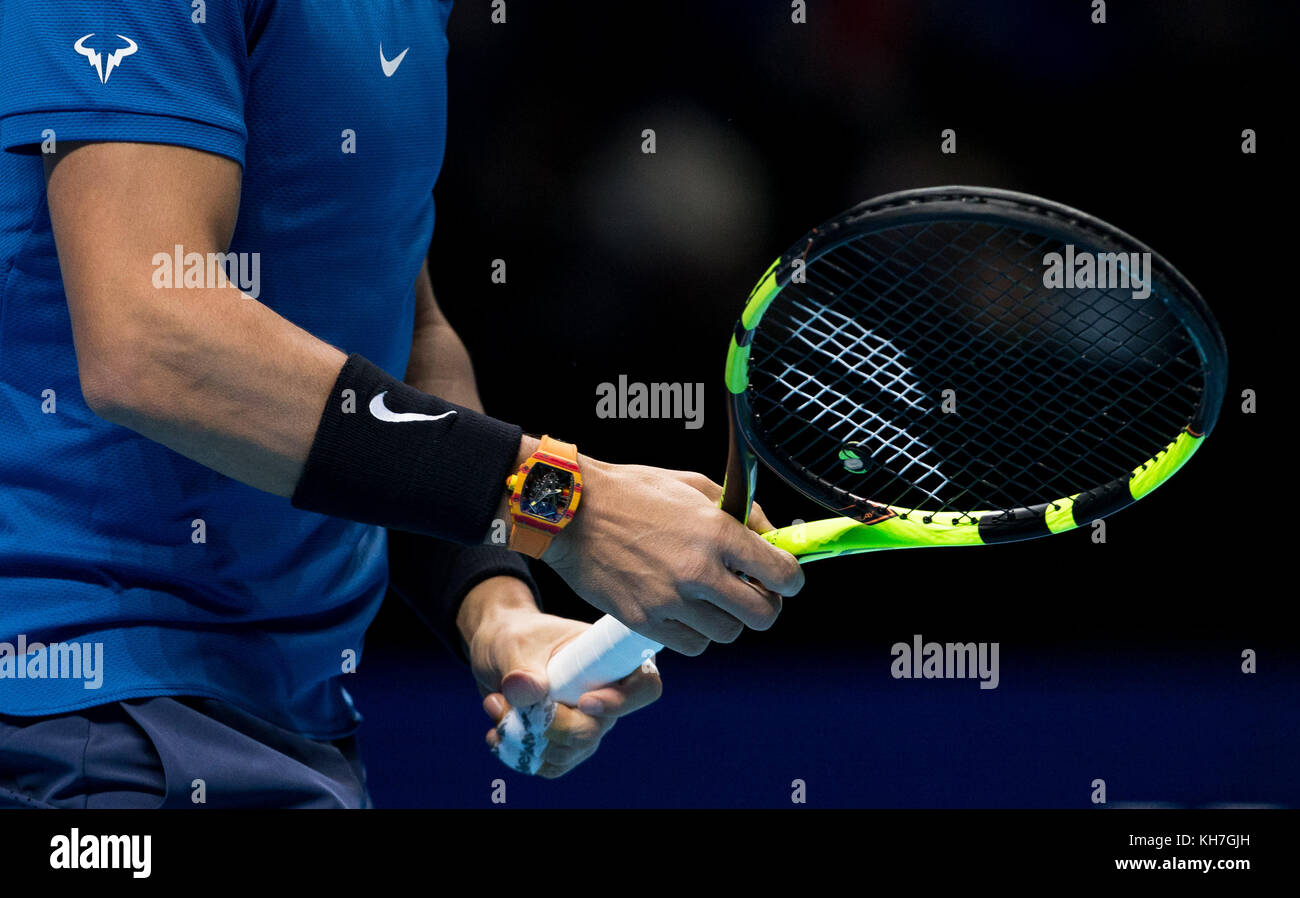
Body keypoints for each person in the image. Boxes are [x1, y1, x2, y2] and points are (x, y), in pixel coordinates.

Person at [0, 2, 802, 807]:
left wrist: (496, 605)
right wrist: (565, 504)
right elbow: (151, 340)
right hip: (81, 715)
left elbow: (398, 331)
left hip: (303, 721)